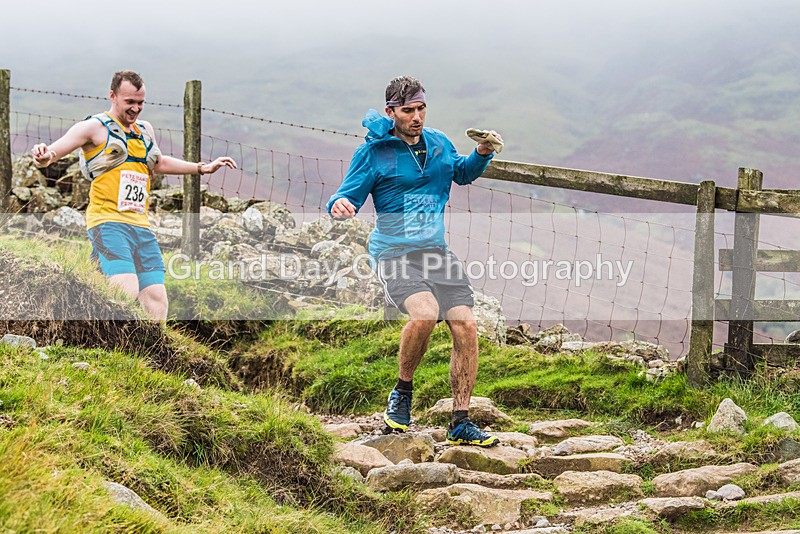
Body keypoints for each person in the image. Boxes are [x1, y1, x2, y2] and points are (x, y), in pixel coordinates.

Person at [327, 75, 503, 447]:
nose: (417, 117)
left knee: (467, 327)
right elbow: (346, 195)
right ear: (391, 111)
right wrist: (338, 205)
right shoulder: (373, 153)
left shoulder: (438, 142)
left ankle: (460, 421)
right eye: (408, 110)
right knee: (424, 313)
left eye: (421, 108)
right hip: (393, 252)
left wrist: (483, 152)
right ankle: (402, 392)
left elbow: (461, 173)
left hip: (435, 251)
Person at [31, 70, 237, 321]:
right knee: (125, 291)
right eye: (130, 102)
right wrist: (44, 155)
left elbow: (158, 163)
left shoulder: (145, 130)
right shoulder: (93, 128)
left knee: (156, 299)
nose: (136, 109)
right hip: (107, 221)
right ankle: (109, 351)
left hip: (140, 225)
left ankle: (153, 356)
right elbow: (52, 153)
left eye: (140, 103)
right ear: (113, 96)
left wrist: (201, 168)